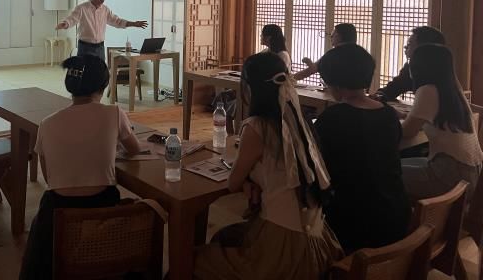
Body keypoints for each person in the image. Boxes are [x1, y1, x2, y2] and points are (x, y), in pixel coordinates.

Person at [194, 52, 342, 279]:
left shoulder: (257, 127)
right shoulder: (300, 121)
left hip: (283, 247)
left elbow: (232, 182)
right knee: (225, 238)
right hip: (319, 241)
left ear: (250, 88)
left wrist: (244, 182)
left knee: (192, 261)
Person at [19, 55, 141, 280]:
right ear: (103, 86)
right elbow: (134, 149)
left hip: (56, 214)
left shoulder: (47, 124)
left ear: (70, 86)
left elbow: (50, 179)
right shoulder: (114, 113)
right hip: (102, 209)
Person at [314, 44, 410, 253]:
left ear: (336, 83)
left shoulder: (332, 119)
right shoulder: (388, 114)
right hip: (395, 215)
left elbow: (316, 170)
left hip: (355, 224)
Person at [401, 44, 483, 201]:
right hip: (472, 173)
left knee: (382, 173)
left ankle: (403, 221)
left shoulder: (427, 90)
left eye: (411, 60)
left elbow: (406, 132)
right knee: (392, 166)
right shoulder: (453, 89)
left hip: (449, 175)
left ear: (420, 65)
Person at [55, 0, 148, 61]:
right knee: (85, 76)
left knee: (100, 76)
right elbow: (72, 19)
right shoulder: (82, 8)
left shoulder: (105, 10)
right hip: (85, 48)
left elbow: (117, 21)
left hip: (100, 48)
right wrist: (65, 23)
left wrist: (134, 24)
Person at [372, 26, 446, 102]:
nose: (405, 47)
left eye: (409, 44)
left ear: (423, 48)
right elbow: (395, 87)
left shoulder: (440, 73)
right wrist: (380, 95)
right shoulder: (411, 67)